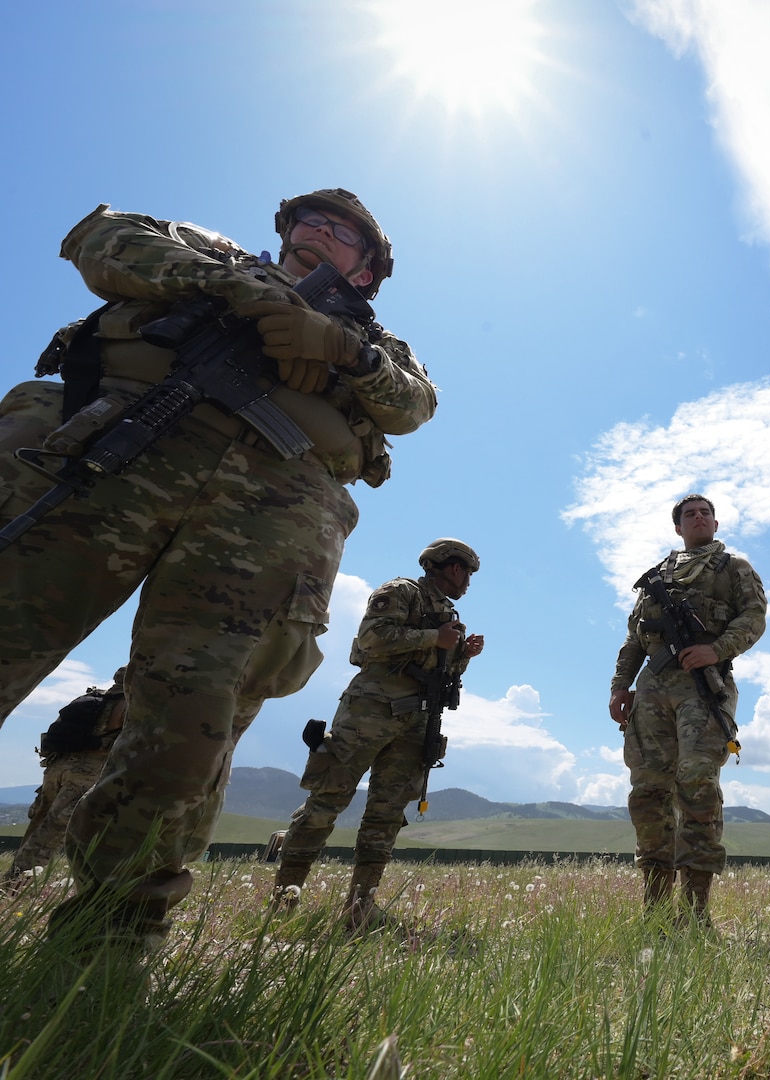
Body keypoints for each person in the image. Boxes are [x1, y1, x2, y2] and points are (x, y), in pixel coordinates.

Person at [0, 190, 436, 953]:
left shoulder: (377, 342)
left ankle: (111, 941)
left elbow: (412, 405)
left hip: (270, 507)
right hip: (103, 433)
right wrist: (235, 287)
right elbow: (100, 239)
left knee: (191, 726)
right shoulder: (206, 253)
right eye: (310, 222)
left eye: (345, 236)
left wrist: (342, 349)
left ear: (365, 274)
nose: (319, 234)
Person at [272, 539, 484, 929]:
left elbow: (443, 671)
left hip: (417, 719)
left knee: (386, 817)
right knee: (327, 800)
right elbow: (372, 639)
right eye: (467, 573)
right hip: (370, 710)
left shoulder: (450, 615)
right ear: (453, 568)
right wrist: (432, 638)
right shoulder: (400, 592)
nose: (468, 582)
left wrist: (461, 655)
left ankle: (359, 908)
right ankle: (283, 902)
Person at [609, 495, 767, 925]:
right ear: (678, 527)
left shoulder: (734, 568)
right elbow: (635, 639)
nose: (698, 518)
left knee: (696, 784)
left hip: (703, 686)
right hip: (652, 693)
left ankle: (695, 913)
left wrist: (713, 650)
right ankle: (656, 912)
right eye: (688, 514)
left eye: (705, 513)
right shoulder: (656, 577)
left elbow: (754, 619)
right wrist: (620, 687)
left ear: (715, 523)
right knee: (648, 792)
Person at [1, 672, 126, 893]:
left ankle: (14, 881)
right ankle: (13, 888)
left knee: (39, 825)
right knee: (52, 832)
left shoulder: (95, 698)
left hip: (57, 766)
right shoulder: (131, 703)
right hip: (87, 772)